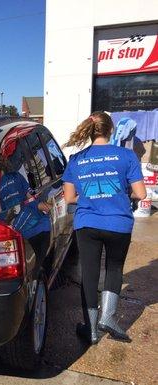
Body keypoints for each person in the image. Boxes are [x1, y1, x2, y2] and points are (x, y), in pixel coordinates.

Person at [62, 112, 147, 344]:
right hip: (118, 223)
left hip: (87, 223)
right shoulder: (126, 156)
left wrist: (93, 196)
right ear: (111, 130)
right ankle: (108, 317)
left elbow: (69, 198)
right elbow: (141, 193)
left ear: (89, 131)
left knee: (89, 274)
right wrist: (116, 193)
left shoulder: (77, 159)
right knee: (114, 268)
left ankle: (90, 330)